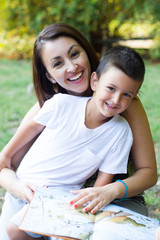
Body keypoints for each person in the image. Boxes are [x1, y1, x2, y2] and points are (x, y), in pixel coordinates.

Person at [0, 23, 157, 239]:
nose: (72, 67)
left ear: (86, 51)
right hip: (39, 194)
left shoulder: (123, 104)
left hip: (111, 197)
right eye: (58, 63)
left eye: (75, 54)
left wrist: (111, 190)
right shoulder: (55, 105)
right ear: (50, 76)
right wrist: (21, 190)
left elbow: (149, 173)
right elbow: (5, 162)